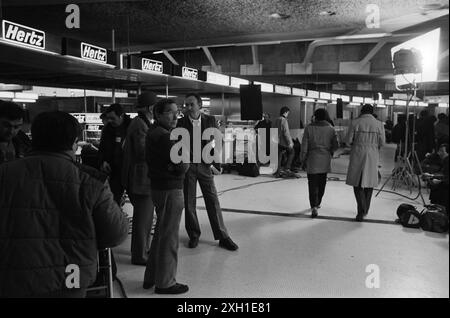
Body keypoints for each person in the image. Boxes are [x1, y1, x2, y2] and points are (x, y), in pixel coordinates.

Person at [0, 111, 129, 297]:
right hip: (71, 275)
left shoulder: (4, 173)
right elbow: (115, 234)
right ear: (73, 142)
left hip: (12, 275)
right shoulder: (91, 180)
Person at [177, 93, 238, 251]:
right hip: (188, 166)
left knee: (212, 200)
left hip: (205, 166)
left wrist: (213, 162)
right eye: (186, 105)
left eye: (191, 104)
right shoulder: (181, 123)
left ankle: (223, 236)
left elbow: (218, 141)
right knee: (189, 203)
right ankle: (194, 234)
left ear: (199, 105)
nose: (188, 108)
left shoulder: (209, 121)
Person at [143, 99, 189, 294]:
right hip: (171, 189)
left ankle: (151, 277)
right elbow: (183, 165)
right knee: (169, 236)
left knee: (160, 234)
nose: (175, 116)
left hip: (158, 187)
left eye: (176, 112)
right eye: (169, 112)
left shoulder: (152, 133)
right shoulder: (165, 137)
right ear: (158, 115)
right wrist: (180, 164)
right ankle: (166, 282)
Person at [122, 92, 158, 265]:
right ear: (151, 108)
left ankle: (143, 250)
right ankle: (140, 255)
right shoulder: (139, 124)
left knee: (146, 218)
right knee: (143, 220)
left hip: (142, 179)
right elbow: (142, 152)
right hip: (141, 180)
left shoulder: (142, 122)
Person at [346, 104, 385, 221]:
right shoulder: (379, 124)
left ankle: (361, 210)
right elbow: (382, 142)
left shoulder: (355, 122)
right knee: (369, 182)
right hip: (372, 154)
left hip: (358, 152)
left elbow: (348, 141)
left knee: (357, 182)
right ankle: (365, 209)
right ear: (372, 112)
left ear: (362, 111)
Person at [301, 108, 339, 218]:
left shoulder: (309, 128)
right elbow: (336, 145)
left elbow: (304, 147)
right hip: (325, 158)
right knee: (322, 182)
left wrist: (302, 159)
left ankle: (313, 206)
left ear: (315, 116)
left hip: (312, 158)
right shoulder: (331, 129)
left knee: (312, 184)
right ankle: (318, 203)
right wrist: (330, 151)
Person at [98, 103, 132, 204]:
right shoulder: (108, 129)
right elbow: (102, 148)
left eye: (112, 118)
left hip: (130, 171)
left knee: (136, 202)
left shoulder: (132, 127)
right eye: (108, 118)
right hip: (114, 172)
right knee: (113, 200)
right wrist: (103, 161)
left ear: (121, 116)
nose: (109, 121)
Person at [424, 143, 449, 214]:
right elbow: (443, 175)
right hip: (445, 183)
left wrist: (439, 181)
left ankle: (439, 211)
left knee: (438, 188)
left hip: (446, 189)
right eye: (439, 151)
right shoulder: (445, 161)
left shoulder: (447, 161)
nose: (439, 153)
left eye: (442, 151)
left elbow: (446, 178)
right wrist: (432, 176)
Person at [273, 106, 296, 178]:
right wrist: (290, 142)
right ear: (285, 112)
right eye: (288, 113)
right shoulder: (284, 120)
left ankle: (277, 172)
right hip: (284, 142)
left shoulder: (276, 119)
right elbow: (286, 133)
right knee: (292, 152)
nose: (288, 114)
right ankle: (287, 168)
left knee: (279, 156)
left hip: (277, 141)